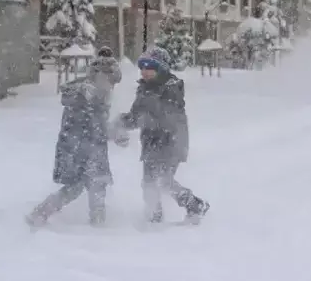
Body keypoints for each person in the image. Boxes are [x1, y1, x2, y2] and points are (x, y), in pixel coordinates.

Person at [25, 52, 123, 227]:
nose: (111, 87)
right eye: (110, 81)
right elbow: (91, 124)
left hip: (80, 147)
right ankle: (98, 225)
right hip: (80, 147)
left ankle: (41, 212)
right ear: (99, 75)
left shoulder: (93, 92)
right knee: (95, 184)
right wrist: (112, 133)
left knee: (79, 186)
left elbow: (95, 124)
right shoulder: (87, 95)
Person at [117, 47, 209, 224]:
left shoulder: (171, 88)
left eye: (150, 66)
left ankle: (193, 206)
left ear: (162, 68)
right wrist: (119, 123)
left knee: (162, 181)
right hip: (151, 143)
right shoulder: (144, 89)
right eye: (142, 66)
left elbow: (165, 116)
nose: (144, 70)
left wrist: (143, 118)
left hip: (171, 142)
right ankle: (155, 215)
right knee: (150, 183)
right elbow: (135, 116)